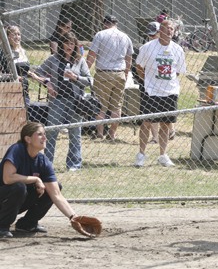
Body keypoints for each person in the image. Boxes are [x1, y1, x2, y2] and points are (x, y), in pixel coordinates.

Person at [0, 122, 83, 238]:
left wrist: (74, 217)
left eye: (44, 134)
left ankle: (27, 224)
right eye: (39, 134)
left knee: (55, 187)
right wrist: (36, 179)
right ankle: (2, 226)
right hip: (4, 199)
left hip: (15, 201)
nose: (44, 137)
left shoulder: (43, 161)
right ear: (28, 139)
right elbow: (8, 178)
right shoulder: (17, 150)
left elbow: (56, 194)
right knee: (19, 186)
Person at [35, 32, 92, 171]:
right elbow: (37, 72)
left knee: (75, 132)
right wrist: (48, 83)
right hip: (57, 100)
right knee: (52, 132)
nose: (69, 46)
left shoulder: (80, 60)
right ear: (61, 44)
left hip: (75, 101)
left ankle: (74, 164)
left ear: (75, 45)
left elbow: (90, 80)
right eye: (66, 43)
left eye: (72, 43)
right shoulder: (53, 59)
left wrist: (75, 77)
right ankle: (47, 165)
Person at [134, 20, 186, 167]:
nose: (169, 31)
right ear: (160, 30)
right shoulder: (148, 47)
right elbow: (138, 66)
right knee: (146, 122)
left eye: (172, 29)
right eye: (166, 28)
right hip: (151, 91)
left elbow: (178, 71)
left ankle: (163, 155)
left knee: (166, 124)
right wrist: (147, 79)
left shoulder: (178, 50)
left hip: (170, 92)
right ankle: (141, 154)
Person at [86, 15, 133, 142]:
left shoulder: (100, 35)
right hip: (120, 74)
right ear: (116, 23)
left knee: (101, 105)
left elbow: (92, 55)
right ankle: (112, 134)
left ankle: (100, 133)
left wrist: (85, 71)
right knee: (116, 106)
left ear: (104, 24)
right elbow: (129, 59)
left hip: (103, 73)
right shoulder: (125, 37)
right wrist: (126, 74)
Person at [0, 25, 51, 108]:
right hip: (9, 89)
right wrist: (15, 77)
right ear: (8, 37)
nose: (17, 37)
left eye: (18, 34)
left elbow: (25, 71)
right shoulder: (3, 53)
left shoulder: (23, 51)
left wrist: (39, 78)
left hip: (24, 89)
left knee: (24, 115)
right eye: (14, 34)